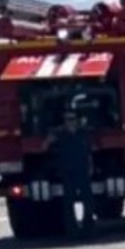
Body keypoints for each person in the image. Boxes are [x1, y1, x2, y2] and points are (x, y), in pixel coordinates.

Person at [43, 96, 96, 235]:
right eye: (67, 119)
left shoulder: (83, 134)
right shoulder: (60, 135)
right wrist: (49, 139)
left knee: (88, 201)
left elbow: (92, 150)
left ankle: (88, 227)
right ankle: (71, 229)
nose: (70, 122)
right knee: (68, 202)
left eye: (72, 119)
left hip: (82, 171)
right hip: (67, 172)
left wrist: (91, 167)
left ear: (77, 121)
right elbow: (44, 146)